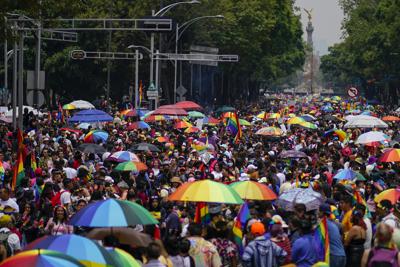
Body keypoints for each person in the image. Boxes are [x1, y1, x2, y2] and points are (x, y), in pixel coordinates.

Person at [320, 203, 346, 267]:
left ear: (322, 213)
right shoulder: (335, 223)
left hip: (334, 256)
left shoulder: (324, 223)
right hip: (342, 255)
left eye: (319, 212)